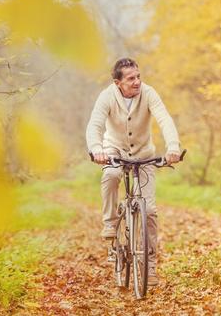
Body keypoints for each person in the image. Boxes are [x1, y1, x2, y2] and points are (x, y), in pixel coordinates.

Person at [86, 57, 181, 286]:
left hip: (144, 154)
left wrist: (173, 147)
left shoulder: (149, 93)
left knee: (149, 211)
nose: (137, 81)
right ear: (118, 82)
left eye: (138, 76)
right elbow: (95, 125)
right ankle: (110, 223)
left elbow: (164, 119)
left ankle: (150, 266)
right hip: (114, 151)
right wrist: (97, 149)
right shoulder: (107, 96)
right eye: (131, 78)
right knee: (111, 175)